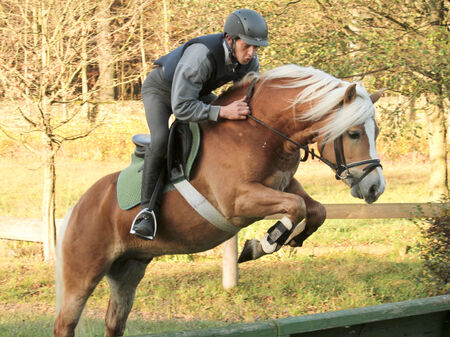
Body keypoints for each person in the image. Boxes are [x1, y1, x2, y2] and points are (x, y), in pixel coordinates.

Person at [130, 9, 269, 240]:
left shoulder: (249, 60)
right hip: (162, 92)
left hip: (196, 93)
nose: (252, 53)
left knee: (231, 121)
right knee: (162, 139)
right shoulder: (201, 56)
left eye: (257, 47)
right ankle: (146, 213)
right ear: (229, 39)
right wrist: (222, 110)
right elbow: (182, 107)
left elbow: (247, 98)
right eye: (247, 46)